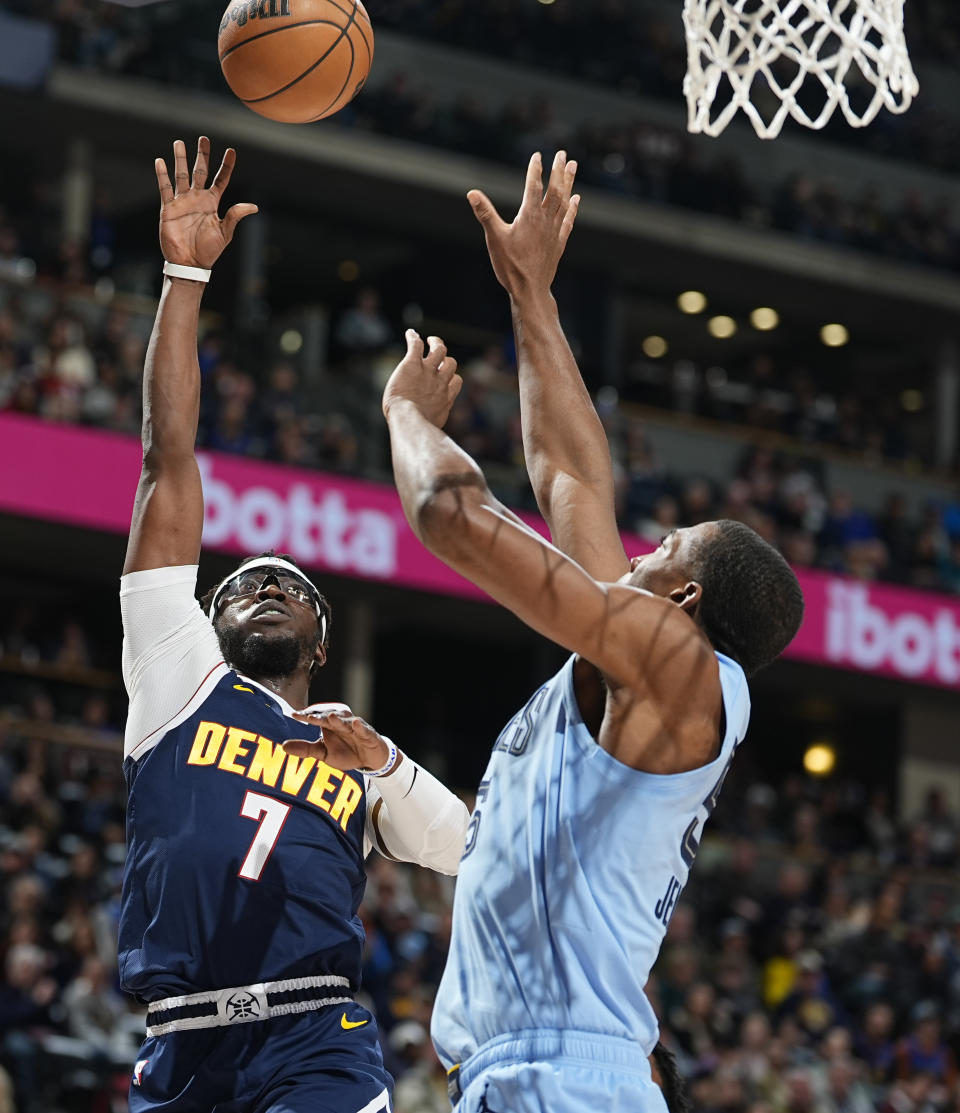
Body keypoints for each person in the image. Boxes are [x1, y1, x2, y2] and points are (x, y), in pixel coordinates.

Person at [380, 151, 804, 1112]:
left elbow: (450, 513)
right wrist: (532, 293)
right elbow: (570, 478)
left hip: (567, 1078)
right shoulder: (641, 671)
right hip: (523, 1074)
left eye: (668, 545)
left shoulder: (678, 667)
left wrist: (406, 416)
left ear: (688, 604)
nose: (642, 548)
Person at [120, 137, 470, 1113]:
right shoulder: (175, 675)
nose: (265, 587)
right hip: (178, 1050)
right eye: (242, 584)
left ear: (320, 642)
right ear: (209, 618)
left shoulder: (352, 748)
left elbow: (475, 851)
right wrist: (186, 276)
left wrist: (388, 767)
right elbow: (168, 462)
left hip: (316, 1039)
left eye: (291, 587)